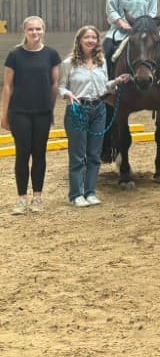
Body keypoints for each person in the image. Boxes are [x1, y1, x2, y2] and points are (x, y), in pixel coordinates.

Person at [58, 26, 130, 208]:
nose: (90, 40)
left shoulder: (102, 62)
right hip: (78, 109)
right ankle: (76, 194)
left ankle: (90, 192)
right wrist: (67, 94)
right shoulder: (68, 63)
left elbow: (104, 86)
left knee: (94, 155)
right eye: (87, 37)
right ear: (79, 40)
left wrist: (116, 81)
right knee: (78, 156)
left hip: (99, 109)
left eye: (93, 37)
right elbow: (60, 86)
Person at [1, 16, 61, 215]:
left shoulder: (52, 54)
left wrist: (50, 110)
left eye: (38, 29)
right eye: (31, 30)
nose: (35, 33)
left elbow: (54, 85)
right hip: (19, 112)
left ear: (43, 30)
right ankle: (21, 198)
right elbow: (8, 86)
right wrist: (5, 114)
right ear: (24, 31)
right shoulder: (14, 55)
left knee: (39, 153)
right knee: (22, 153)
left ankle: (37, 197)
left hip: (42, 112)